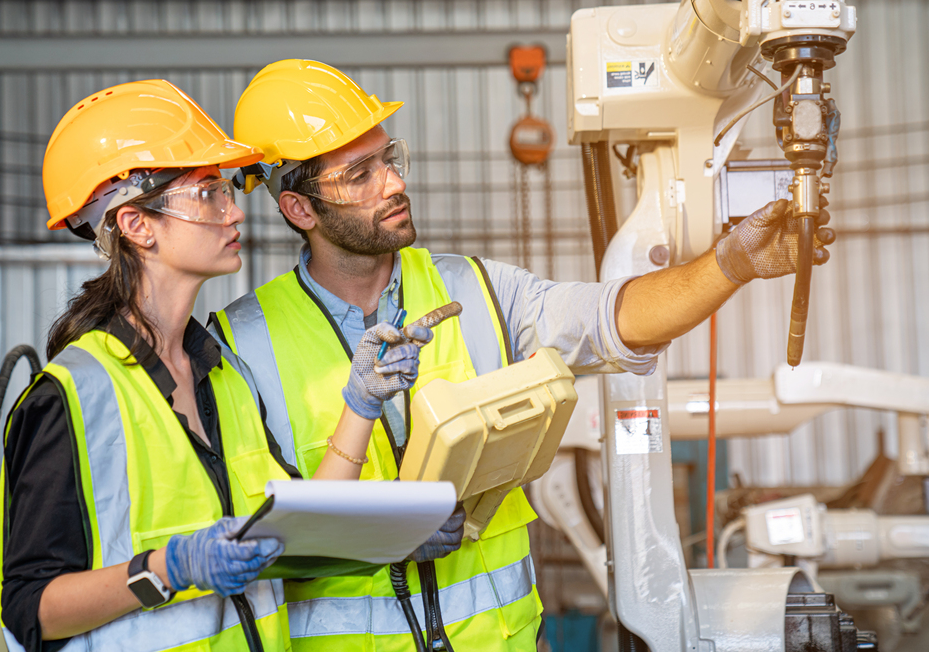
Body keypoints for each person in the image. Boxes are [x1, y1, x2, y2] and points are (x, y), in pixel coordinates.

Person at [213, 60, 835, 651]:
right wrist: (387, 538)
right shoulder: (240, 344)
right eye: (360, 174)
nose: (396, 183)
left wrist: (732, 263)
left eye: (389, 159)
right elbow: (253, 545)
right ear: (298, 208)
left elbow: (612, 319)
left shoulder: (475, 288)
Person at [0, 79, 442, 652]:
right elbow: (31, 610)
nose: (234, 210)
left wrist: (362, 406)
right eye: (207, 192)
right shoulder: (69, 397)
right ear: (136, 225)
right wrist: (167, 568)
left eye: (225, 190)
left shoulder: (222, 369)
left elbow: (294, 540)